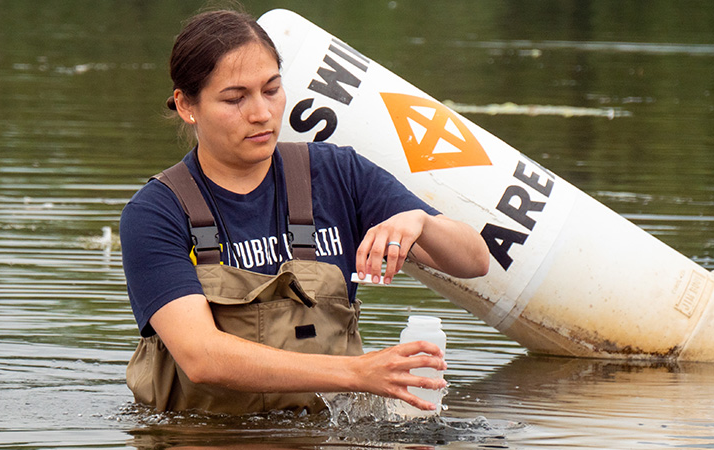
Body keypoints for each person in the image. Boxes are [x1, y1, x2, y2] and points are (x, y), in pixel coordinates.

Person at [120, 8, 490, 414]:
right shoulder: (155, 213)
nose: (261, 113)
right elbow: (201, 357)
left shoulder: (338, 174)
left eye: (272, 89)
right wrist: (357, 373)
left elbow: (474, 260)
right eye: (235, 98)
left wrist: (420, 222)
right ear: (187, 105)